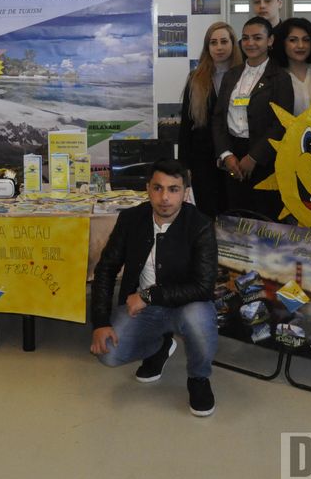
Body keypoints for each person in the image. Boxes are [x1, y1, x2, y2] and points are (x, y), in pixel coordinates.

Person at [90, 159, 218, 417]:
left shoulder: (201, 225)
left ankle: (198, 378)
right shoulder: (130, 219)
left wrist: (149, 295)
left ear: (185, 193)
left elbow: (204, 287)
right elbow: (106, 269)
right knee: (109, 355)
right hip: (144, 309)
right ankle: (161, 346)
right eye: (158, 188)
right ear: (147, 188)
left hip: (185, 304)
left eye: (173, 189)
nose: (165, 198)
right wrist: (100, 322)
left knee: (199, 318)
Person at [212, 16, 294, 220]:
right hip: (233, 157)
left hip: (264, 158)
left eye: (257, 38)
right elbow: (218, 118)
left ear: (270, 41)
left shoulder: (281, 78)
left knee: (264, 219)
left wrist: (254, 157)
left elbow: (281, 123)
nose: (250, 43)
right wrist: (226, 155)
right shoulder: (231, 75)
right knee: (236, 218)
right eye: (246, 38)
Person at [178, 21, 241, 217]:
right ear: (207, 47)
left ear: (233, 44)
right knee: (207, 214)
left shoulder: (245, 76)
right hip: (203, 161)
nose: (219, 47)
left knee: (234, 214)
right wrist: (184, 166)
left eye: (224, 41)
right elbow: (186, 126)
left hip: (235, 157)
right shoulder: (196, 78)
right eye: (213, 43)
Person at [273, 17, 311, 116]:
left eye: (306, 40)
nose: (300, 45)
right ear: (283, 43)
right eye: (293, 40)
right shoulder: (275, 77)